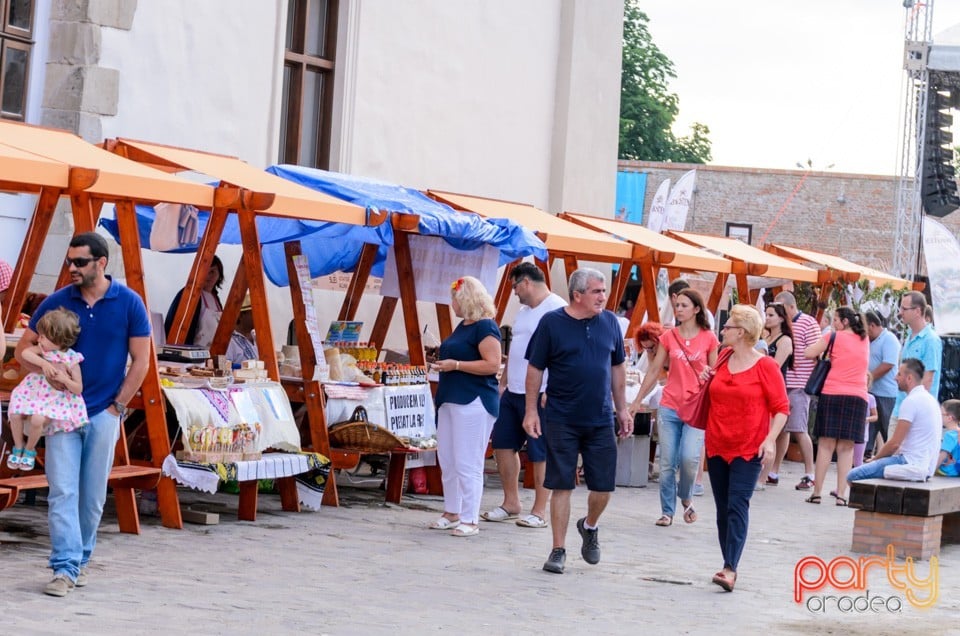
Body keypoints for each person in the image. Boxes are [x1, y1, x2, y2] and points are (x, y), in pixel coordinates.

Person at [16, 232, 151, 597]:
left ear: (101, 263)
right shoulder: (58, 301)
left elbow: (142, 361)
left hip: (104, 414)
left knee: (91, 498)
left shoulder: (129, 303)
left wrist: (117, 406)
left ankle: (80, 560)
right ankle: (64, 567)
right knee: (62, 492)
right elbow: (23, 350)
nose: (71, 268)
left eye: (79, 262)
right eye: (68, 262)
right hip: (60, 414)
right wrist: (44, 366)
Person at [523, 268, 632, 574]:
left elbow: (618, 368)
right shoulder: (552, 323)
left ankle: (590, 525)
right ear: (577, 295)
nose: (603, 296)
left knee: (603, 488)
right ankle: (558, 549)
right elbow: (535, 370)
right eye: (597, 291)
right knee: (561, 485)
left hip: (600, 418)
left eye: (604, 291)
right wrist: (531, 411)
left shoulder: (610, 322)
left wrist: (622, 409)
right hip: (561, 418)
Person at [704, 305, 788, 592]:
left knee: (737, 504)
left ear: (741, 332)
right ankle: (727, 561)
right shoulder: (723, 357)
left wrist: (770, 439)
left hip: (748, 446)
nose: (723, 330)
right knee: (722, 507)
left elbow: (781, 408)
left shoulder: (766, 366)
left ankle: (730, 568)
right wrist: (706, 378)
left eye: (727, 326)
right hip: (717, 443)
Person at [481, 262, 565, 528]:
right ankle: (511, 502)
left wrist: (551, 389)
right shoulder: (524, 311)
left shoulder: (556, 309)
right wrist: (503, 381)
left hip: (540, 391)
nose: (514, 292)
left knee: (539, 452)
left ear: (526, 282)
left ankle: (539, 510)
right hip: (513, 388)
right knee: (503, 444)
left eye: (515, 286)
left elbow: (560, 354)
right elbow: (516, 348)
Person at [632, 288, 718, 527]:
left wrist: (707, 375)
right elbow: (654, 371)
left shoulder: (709, 338)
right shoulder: (669, 337)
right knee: (668, 461)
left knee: (689, 458)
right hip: (670, 405)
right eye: (677, 305)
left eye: (684, 305)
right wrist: (638, 400)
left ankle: (686, 496)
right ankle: (667, 511)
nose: (678, 309)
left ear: (697, 309)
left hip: (696, 409)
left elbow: (716, 375)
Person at [429, 276, 502, 537]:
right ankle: (452, 510)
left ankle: (470, 518)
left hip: (473, 400)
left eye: (455, 299)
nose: (452, 304)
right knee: (447, 458)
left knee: (467, 461)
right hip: (450, 398)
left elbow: (493, 364)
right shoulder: (464, 326)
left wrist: (456, 365)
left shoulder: (485, 327)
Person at [7, 308, 88, 471]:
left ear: (58, 339)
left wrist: (64, 379)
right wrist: (44, 363)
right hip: (32, 392)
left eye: (44, 336)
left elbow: (78, 388)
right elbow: (25, 353)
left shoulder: (71, 359)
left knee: (37, 420)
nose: (39, 338)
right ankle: (18, 446)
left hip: (52, 398)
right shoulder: (42, 351)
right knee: (15, 414)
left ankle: (29, 450)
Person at [804, 307, 869, 506]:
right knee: (846, 447)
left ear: (845, 322)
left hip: (833, 393)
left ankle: (817, 492)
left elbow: (809, 353)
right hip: (858, 396)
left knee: (825, 445)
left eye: (835, 319)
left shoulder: (833, 336)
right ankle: (841, 494)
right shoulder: (864, 339)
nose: (833, 323)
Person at [847, 358, 941, 483]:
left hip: (910, 463)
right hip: (926, 466)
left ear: (909, 378)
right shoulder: (930, 400)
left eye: (899, 374)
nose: (895, 378)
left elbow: (894, 444)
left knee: (853, 475)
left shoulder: (911, 401)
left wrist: (875, 459)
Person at [766, 291, 818, 490]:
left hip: (799, 384)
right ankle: (774, 471)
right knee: (781, 429)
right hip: (782, 384)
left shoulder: (808, 322)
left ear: (788, 307)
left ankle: (809, 473)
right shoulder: (776, 330)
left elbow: (816, 351)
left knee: (798, 428)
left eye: (778, 309)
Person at [893, 292, 942, 436]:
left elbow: (928, 379)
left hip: (917, 413)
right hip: (901, 408)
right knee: (894, 455)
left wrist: (916, 409)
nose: (900, 313)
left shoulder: (930, 340)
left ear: (918, 311)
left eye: (904, 309)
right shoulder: (910, 335)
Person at [164, 254, 224, 347]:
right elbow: (178, 326)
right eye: (205, 271)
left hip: (212, 353)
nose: (208, 276)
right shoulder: (189, 294)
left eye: (212, 272)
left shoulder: (216, 299)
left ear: (219, 275)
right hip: (192, 352)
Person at [865, 310, 900, 459]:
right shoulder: (870, 341)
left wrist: (870, 377)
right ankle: (866, 453)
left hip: (886, 393)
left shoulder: (889, 339)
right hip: (872, 392)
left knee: (886, 427)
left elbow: (888, 364)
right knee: (870, 425)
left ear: (872, 326)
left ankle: (891, 456)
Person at [634, 321, 667, 480]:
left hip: (676, 389)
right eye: (645, 348)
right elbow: (652, 372)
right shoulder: (650, 350)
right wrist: (639, 398)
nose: (648, 350)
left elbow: (656, 373)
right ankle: (648, 462)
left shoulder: (666, 345)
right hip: (665, 386)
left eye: (651, 347)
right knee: (652, 417)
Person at [225, 294, 258, 366]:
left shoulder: (256, 337)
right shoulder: (229, 341)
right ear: (240, 315)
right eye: (254, 313)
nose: (258, 316)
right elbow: (225, 368)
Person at [937, 399, 960, 477]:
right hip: (956, 471)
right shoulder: (958, 432)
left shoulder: (950, 435)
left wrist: (931, 470)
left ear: (949, 418)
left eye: (941, 414)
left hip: (947, 472)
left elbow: (943, 455)